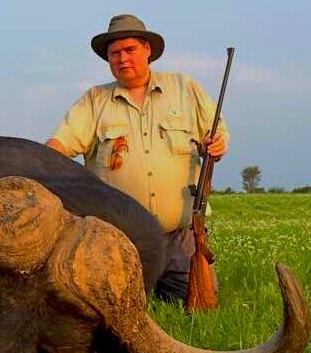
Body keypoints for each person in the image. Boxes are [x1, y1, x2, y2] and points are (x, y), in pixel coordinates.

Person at [46, 14, 229, 302]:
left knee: (198, 308)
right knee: (110, 308)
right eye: (114, 53)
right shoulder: (94, 100)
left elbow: (217, 133)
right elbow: (59, 145)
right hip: (117, 240)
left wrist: (218, 144)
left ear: (147, 50)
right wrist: (37, 163)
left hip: (179, 236)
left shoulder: (185, 88)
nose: (122, 58)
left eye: (130, 50)